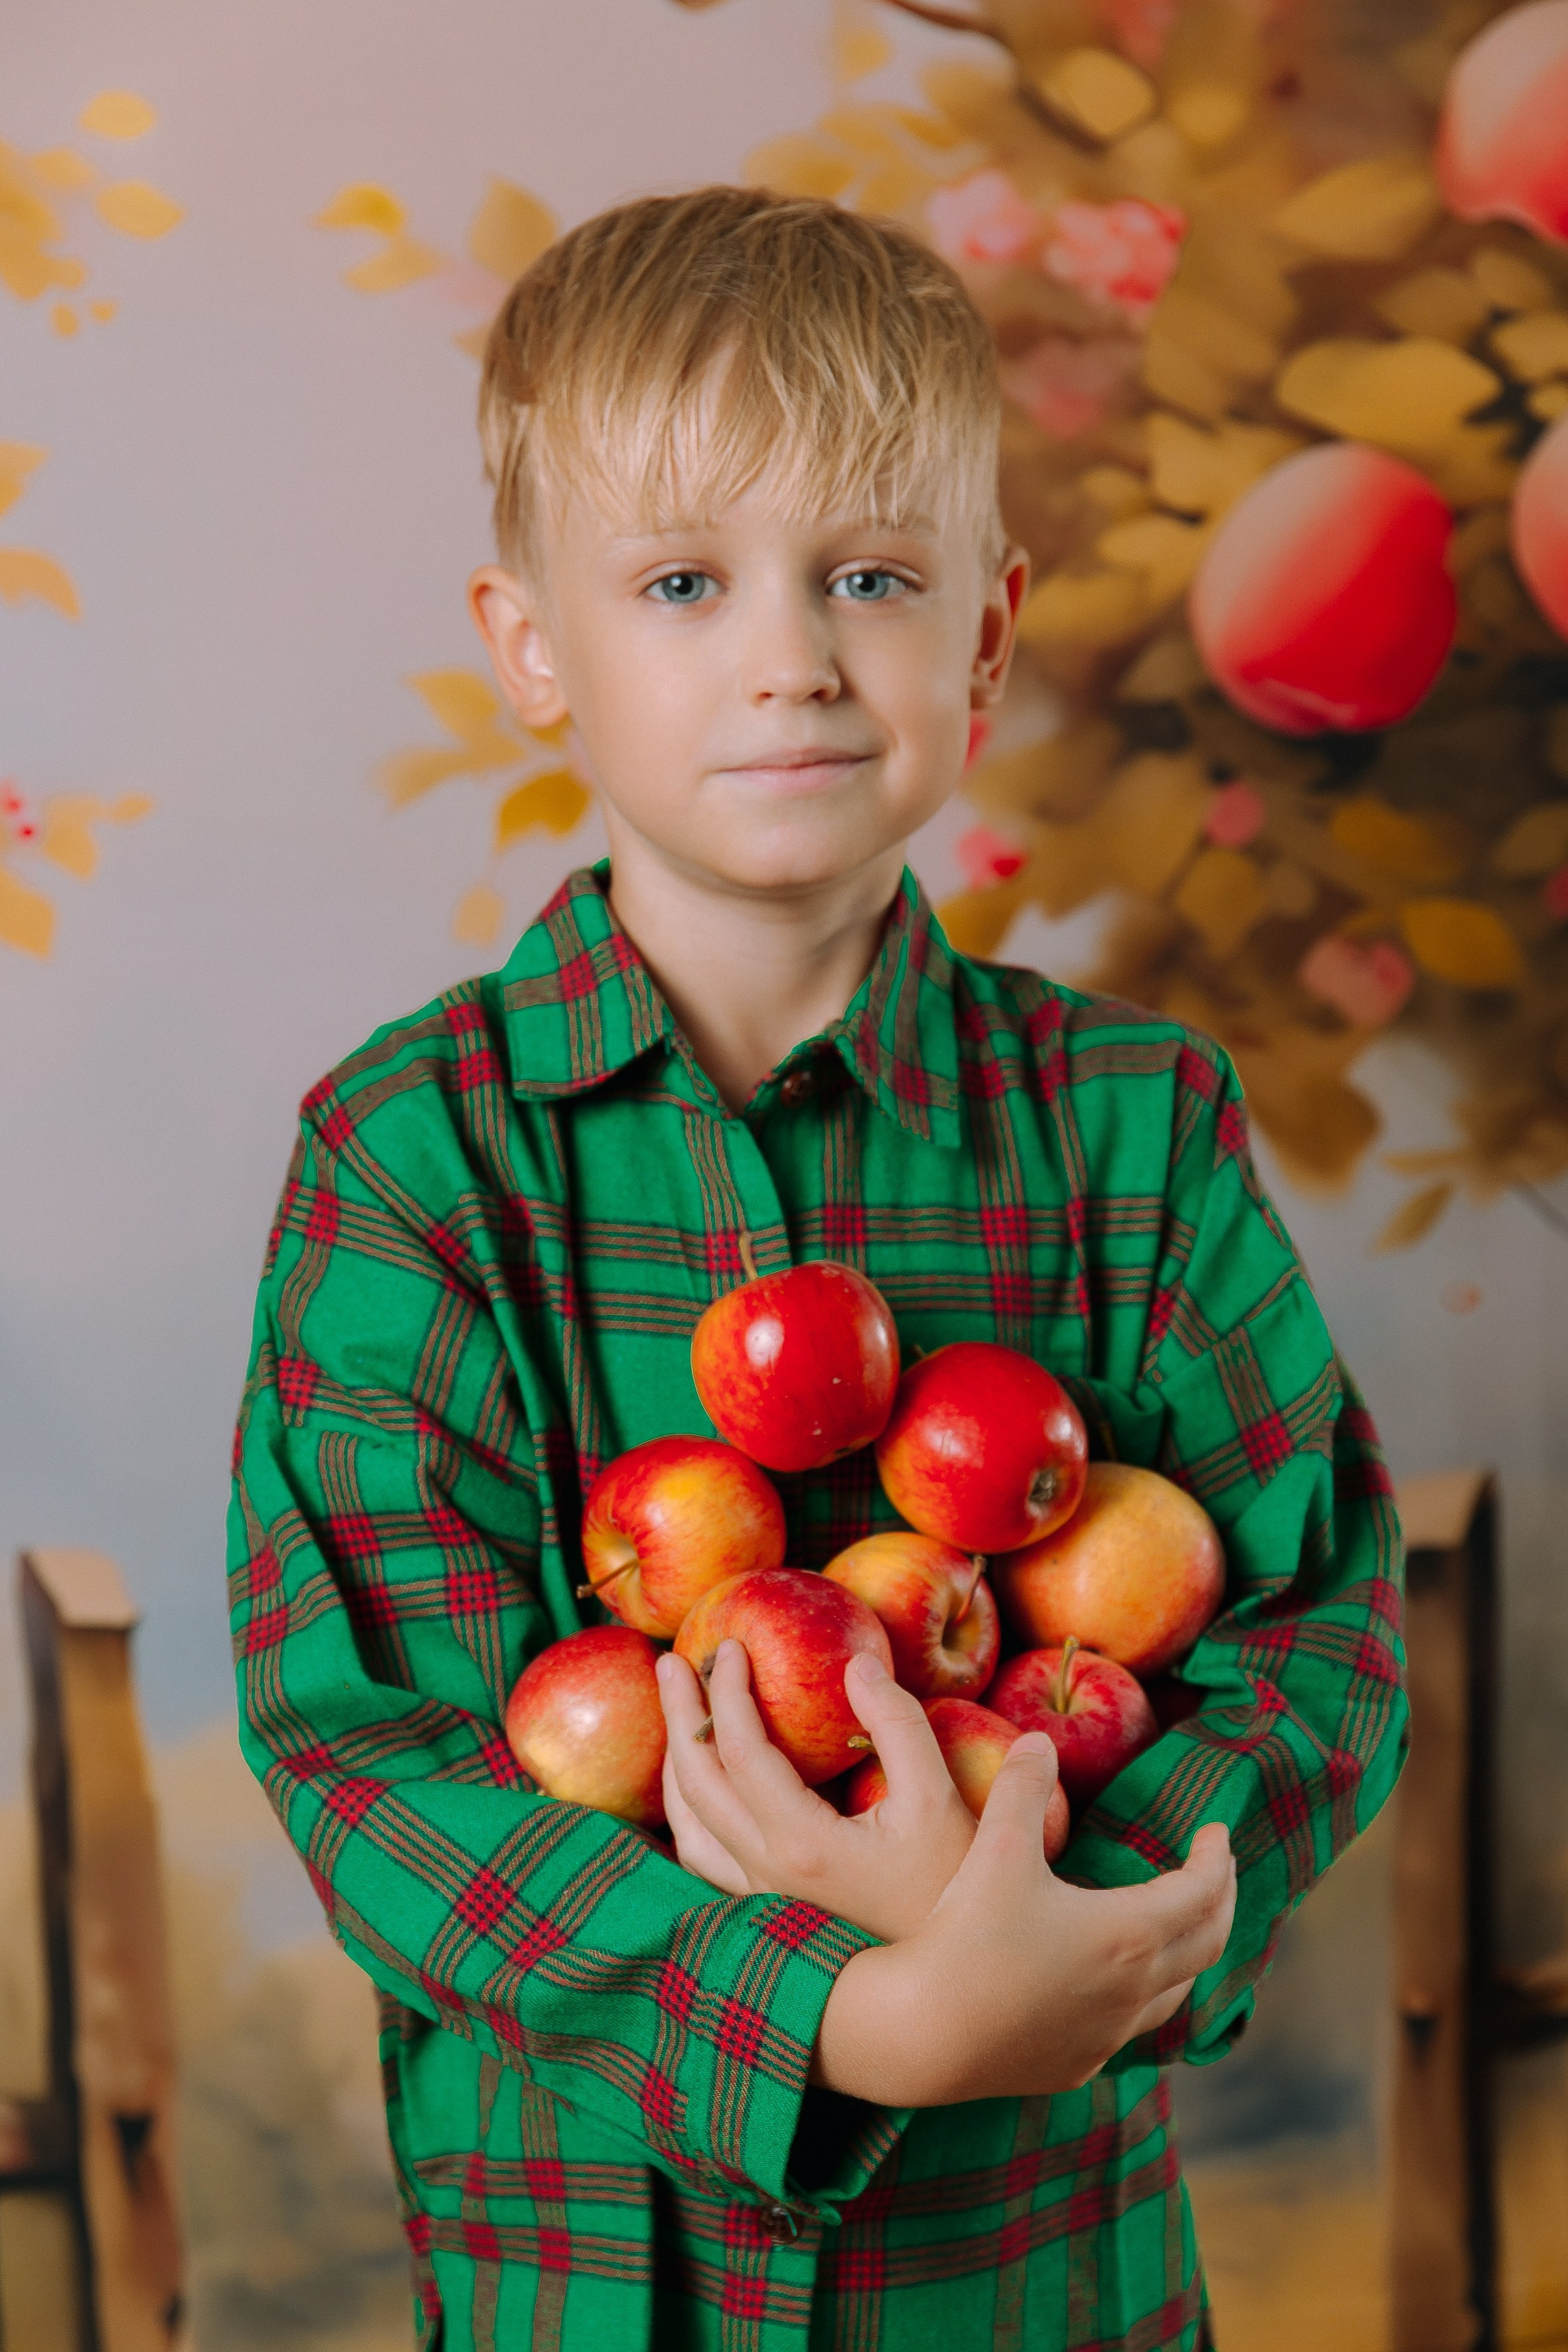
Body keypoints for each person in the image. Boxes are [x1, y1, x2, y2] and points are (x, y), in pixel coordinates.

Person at [228, 186, 1407, 2351]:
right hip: (590, 2287)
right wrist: (859, 2016)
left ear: (980, 634)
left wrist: (1043, 1911)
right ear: (531, 646)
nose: (790, 652)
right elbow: (375, 1758)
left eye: (868, 577)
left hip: (1043, 2291)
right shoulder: (412, 1163)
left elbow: (1319, 1635)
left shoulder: (1131, 1130)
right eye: (684, 582)